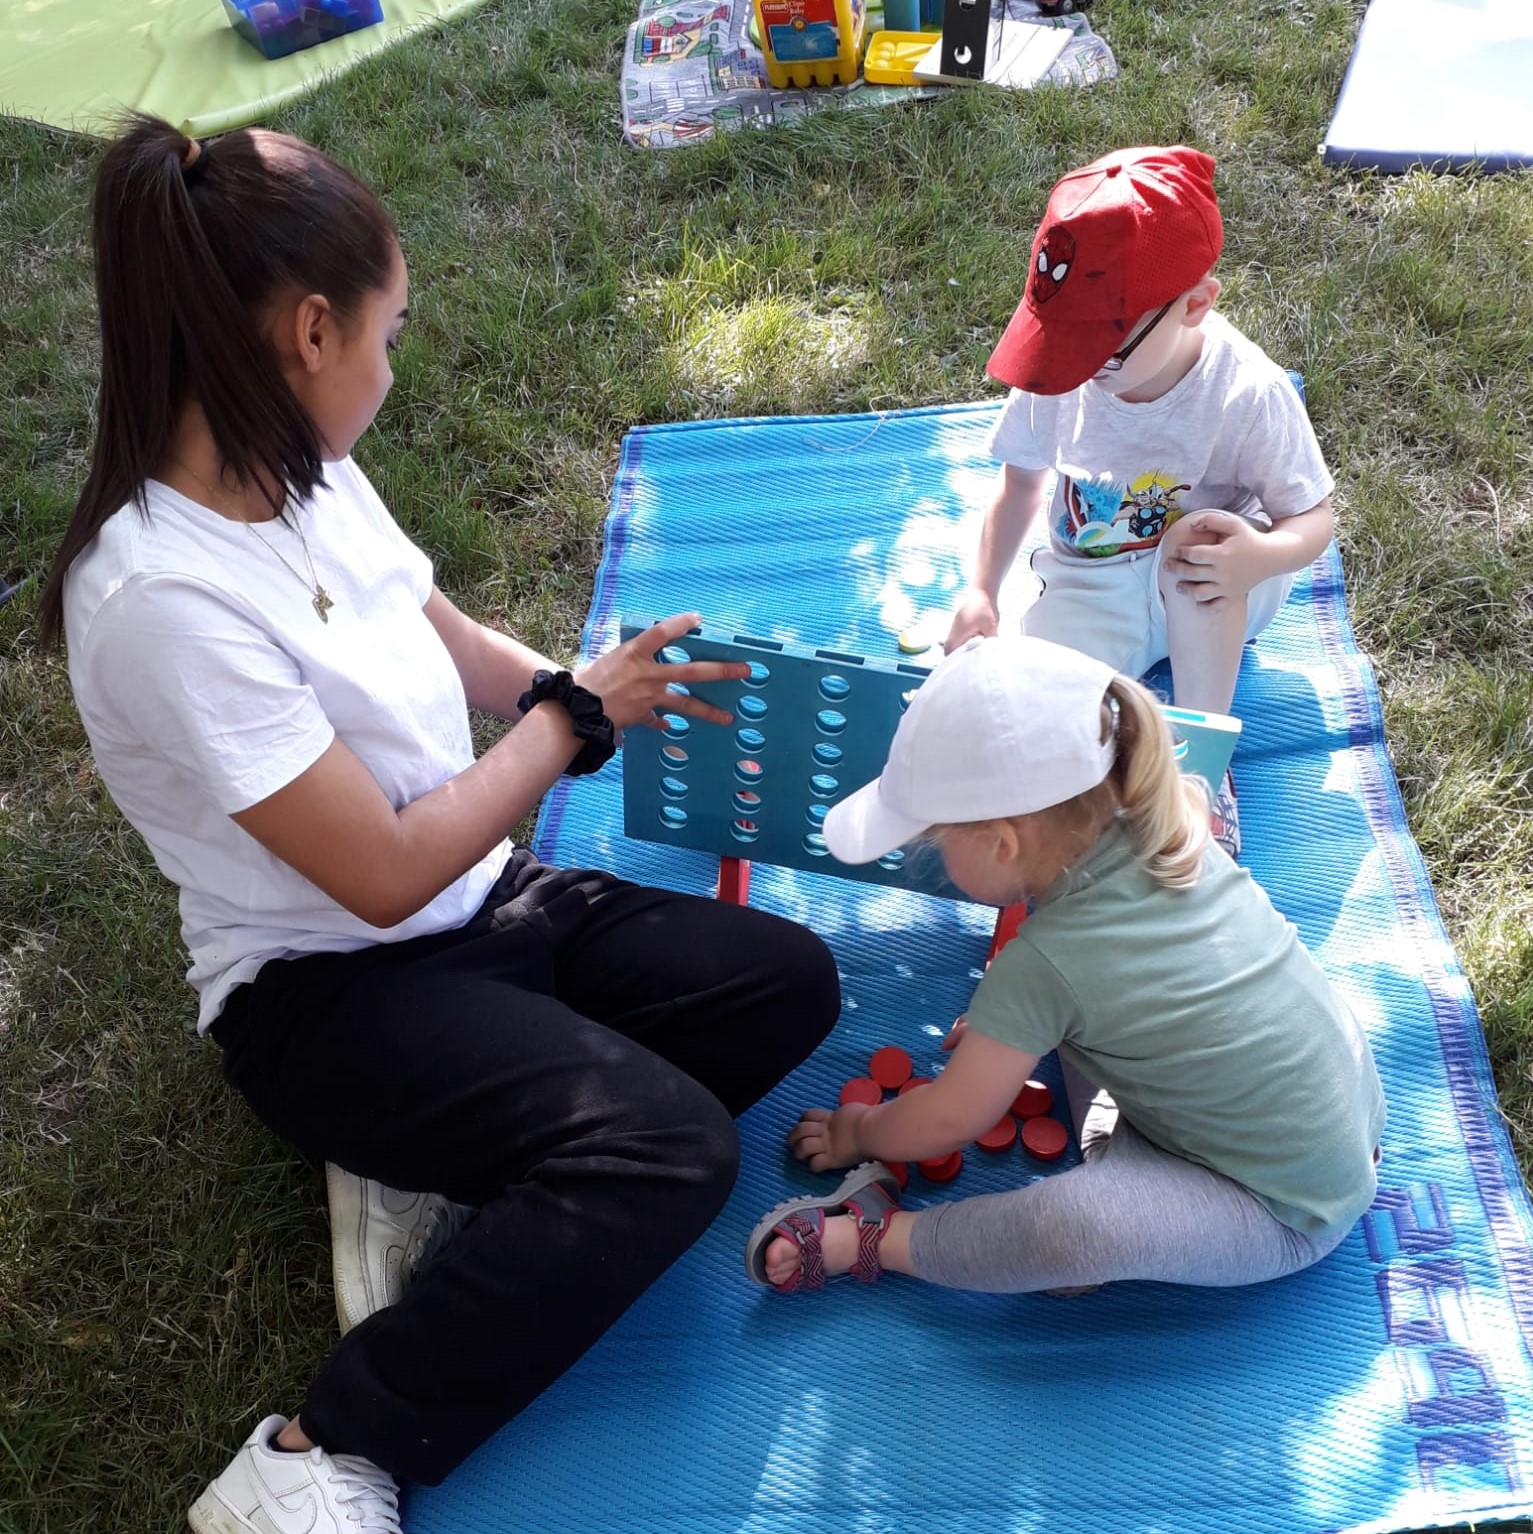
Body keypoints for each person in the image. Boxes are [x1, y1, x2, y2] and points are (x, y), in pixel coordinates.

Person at [37, 115, 840, 1534]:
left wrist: (561, 686)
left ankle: (462, 1145)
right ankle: (314, 1446)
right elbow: (382, 864)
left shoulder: (297, 459)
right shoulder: (161, 599)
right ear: (308, 330)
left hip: (476, 905)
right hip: (327, 986)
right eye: (387, 334)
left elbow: (447, 631)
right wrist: (571, 722)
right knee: (669, 1151)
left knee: (786, 984)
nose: (392, 367)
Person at [744, 635, 1385, 1300]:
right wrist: (1010, 1034)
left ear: (1001, 842)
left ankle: (879, 1238)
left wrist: (857, 1130)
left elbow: (944, 1123)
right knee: (1085, 1031)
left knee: (1067, 1231)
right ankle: (1119, 1201)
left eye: (933, 842)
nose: (927, 857)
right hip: (1339, 1125)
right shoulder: (1165, 828)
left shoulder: (1042, 965)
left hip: (1279, 1209)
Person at [945, 145, 1337, 858]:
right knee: (1027, 712)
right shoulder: (1059, 371)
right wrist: (980, 592)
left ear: (1195, 306)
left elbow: (1312, 518)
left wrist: (1258, 557)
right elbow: (1021, 484)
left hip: (1220, 586)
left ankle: (1197, 766)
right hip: (1091, 579)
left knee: (1200, 541)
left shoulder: (1247, 392)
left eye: (1107, 351)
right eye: (1063, 344)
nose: (1082, 373)